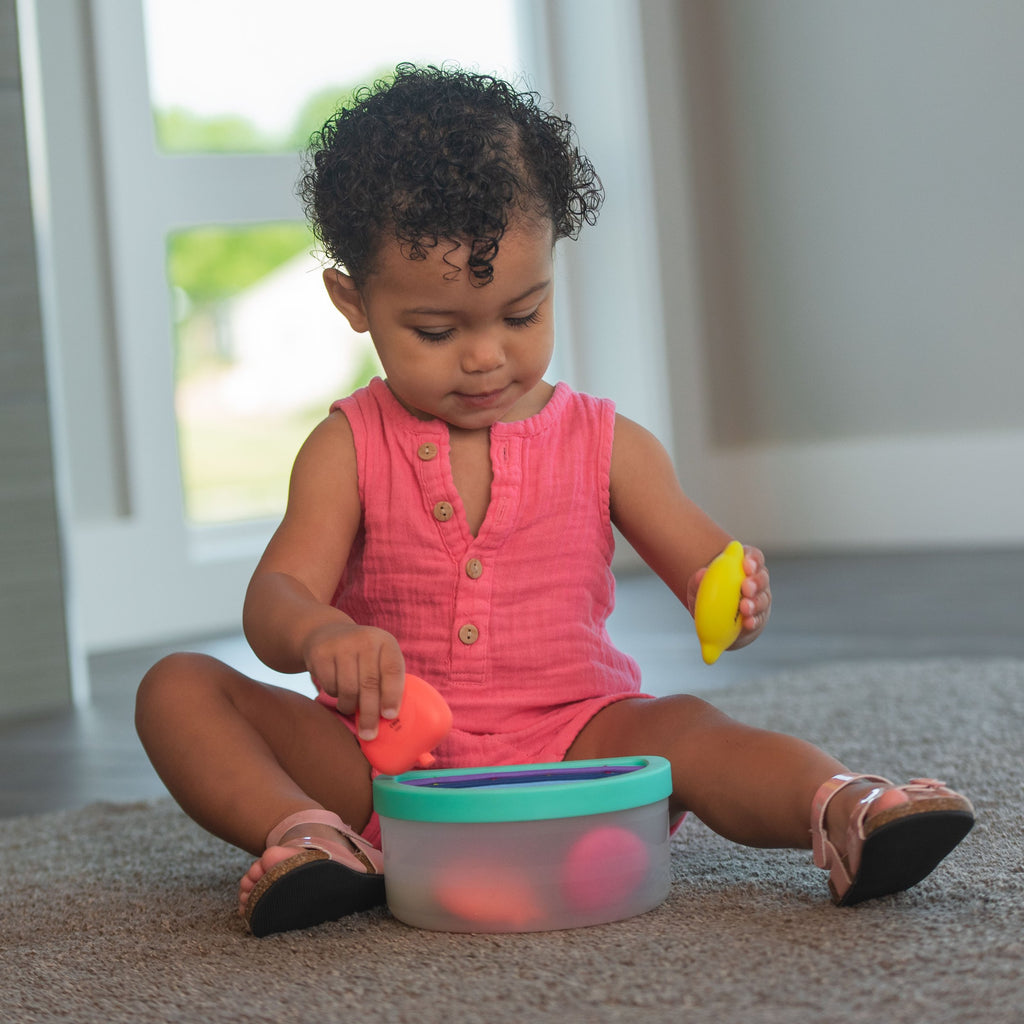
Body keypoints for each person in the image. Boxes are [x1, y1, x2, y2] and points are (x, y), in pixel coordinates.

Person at [135, 64, 974, 937]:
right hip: (380, 767)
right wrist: (321, 634)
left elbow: (707, 565)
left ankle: (844, 807)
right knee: (177, 688)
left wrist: (735, 590)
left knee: (686, 725)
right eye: (436, 331)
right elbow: (274, 602)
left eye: (522, 314)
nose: (485, 356)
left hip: (582, 745)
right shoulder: (346, 447)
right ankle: (312, 840)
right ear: (354, 300)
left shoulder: (607, 442)